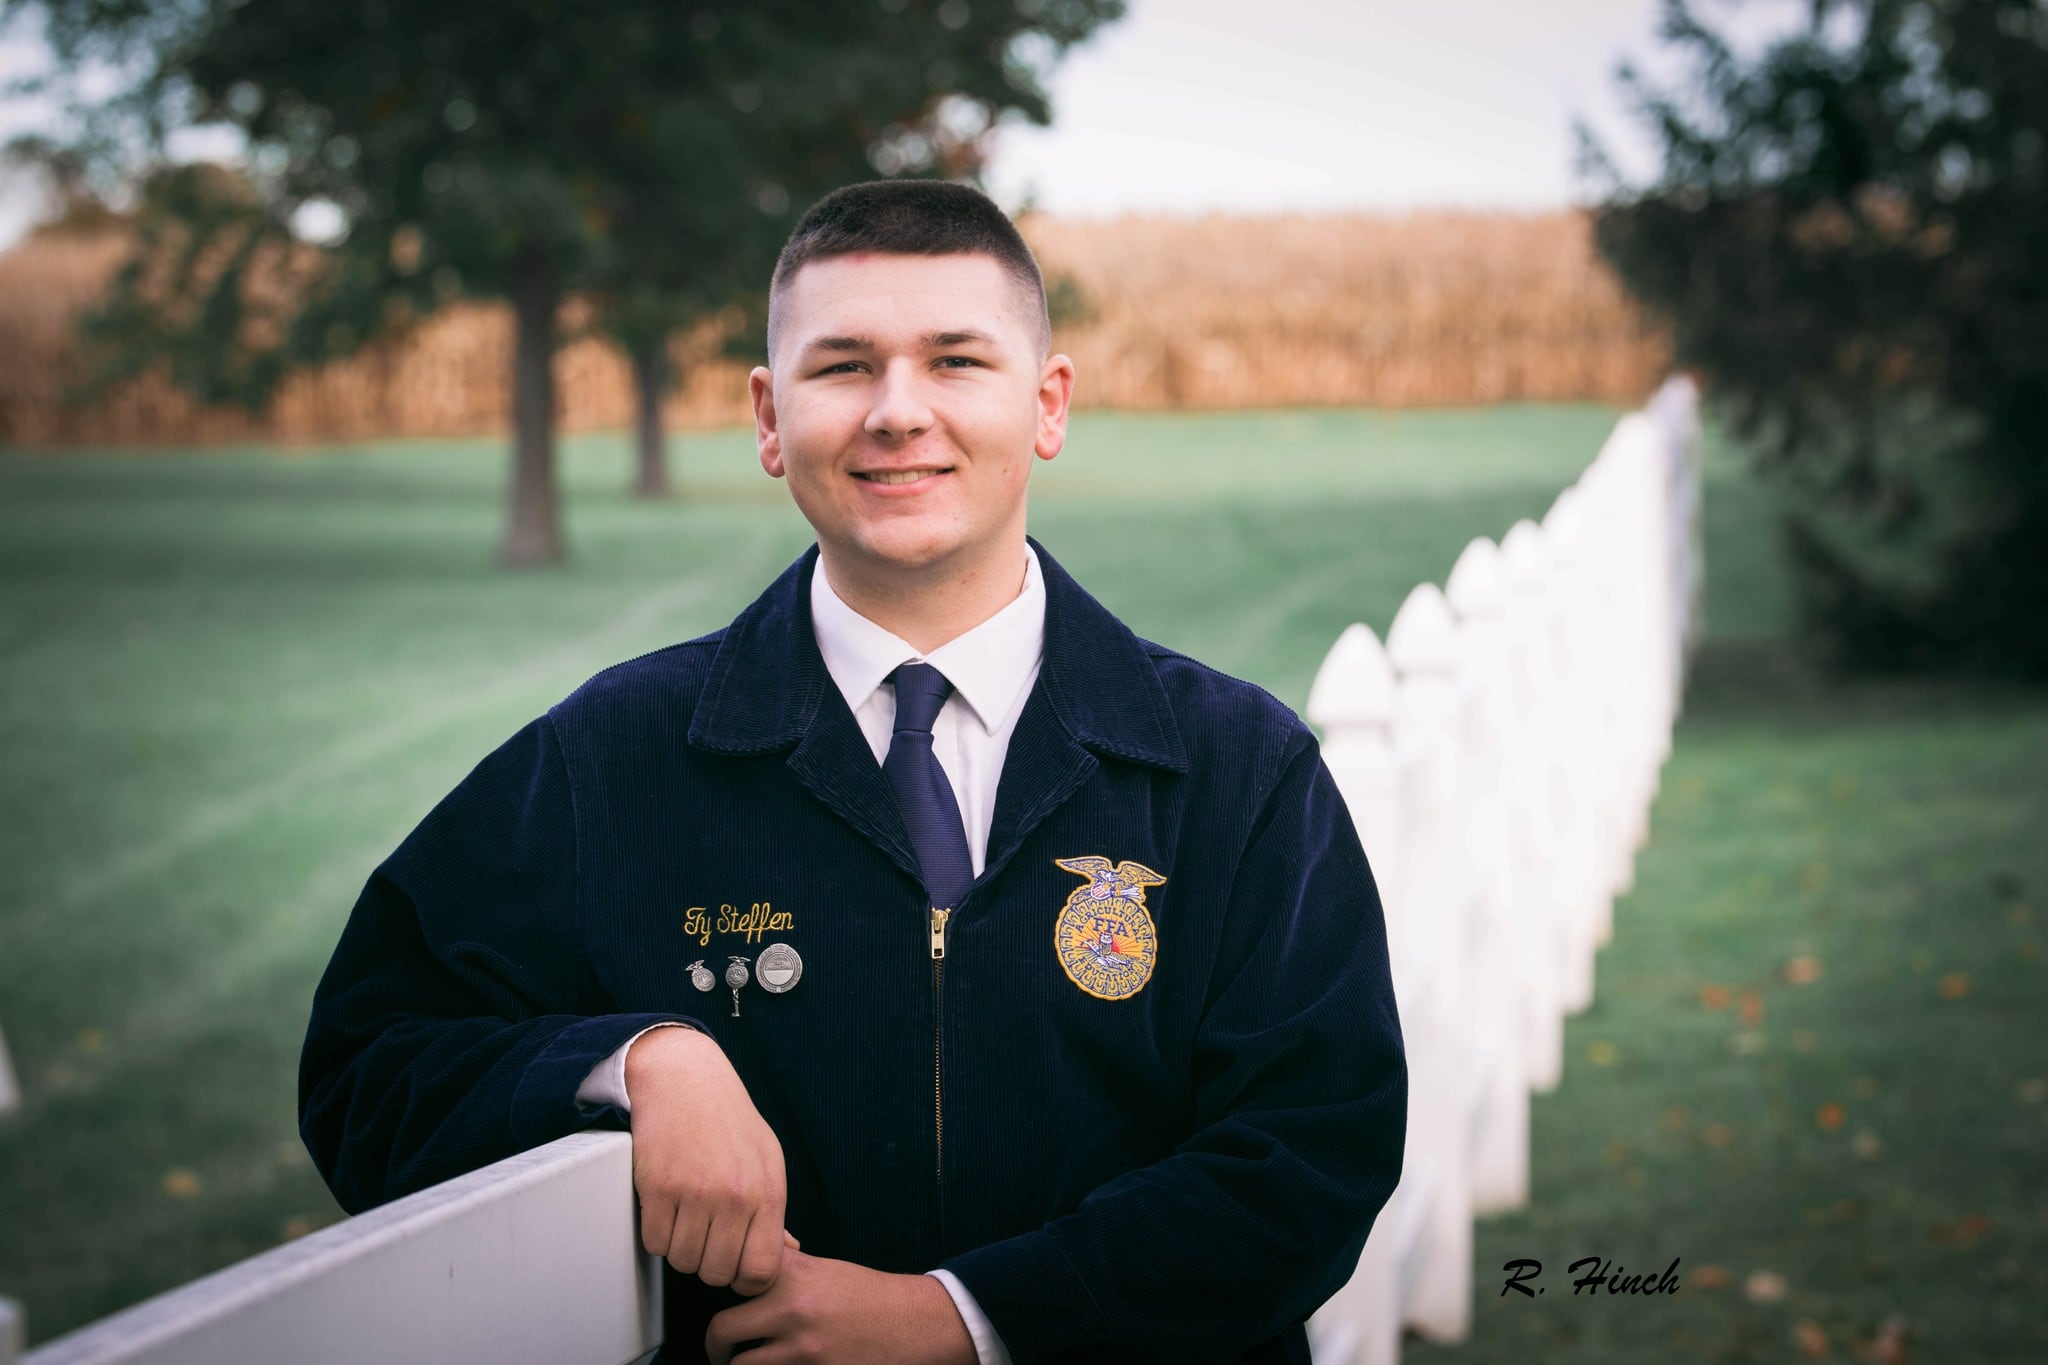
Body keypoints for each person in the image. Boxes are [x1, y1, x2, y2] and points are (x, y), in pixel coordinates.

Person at [299, 180, 1407, 1365]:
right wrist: (628, 1061)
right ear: (770, 419)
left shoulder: (1234, 769)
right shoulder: (610, 757)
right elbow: (369, 1063)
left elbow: (1311, 1148)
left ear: (1046, 404)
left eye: (953, 362)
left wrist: (966, 1320)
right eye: (842, 367)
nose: (896, 412)